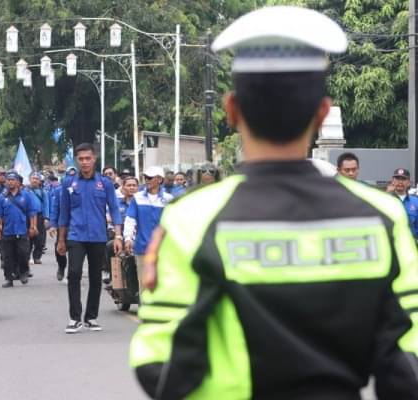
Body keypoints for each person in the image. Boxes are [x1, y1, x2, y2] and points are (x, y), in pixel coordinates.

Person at [131, 6, 418, 399]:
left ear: (231, 110)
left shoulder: (191, 221)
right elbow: (407, 363)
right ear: (322, 113)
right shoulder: (381, 216)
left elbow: (160, 363)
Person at [58, 143, 122, 333]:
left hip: (98, 236)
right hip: (75, 235)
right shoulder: (68, 183)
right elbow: (64, 213)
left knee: (96, 277)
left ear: (94, 159)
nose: (85, 162)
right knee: (74, 274)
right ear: (76, 161)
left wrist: (118, 235)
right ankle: (75, 317)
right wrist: (61, 240)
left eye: (88, 158)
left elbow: (115, 209)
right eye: (81, 159)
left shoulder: (105, 183)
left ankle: (91, 317)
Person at [123, 167, 172, 290]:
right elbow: (130, 219)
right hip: (142, 248)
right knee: (144, 286)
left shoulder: (168, 199)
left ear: (159, 180)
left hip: (164, 250)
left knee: (163, 286)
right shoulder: (138, 198)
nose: (147, 180)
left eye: (150, 178)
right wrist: (128, 238)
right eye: (146, 178)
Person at [0, 172, 37, 288]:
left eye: (13, 180)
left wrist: (33, 227)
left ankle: (23, 272)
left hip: (22, 230)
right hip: (7, 231)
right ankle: (9, 278)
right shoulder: (2, 197)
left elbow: (32, 213)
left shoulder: (26, 195)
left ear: (18, 182)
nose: (10, 182)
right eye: (8, 180)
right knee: (8, 257)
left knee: (23, 253)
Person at [26, 172, 49, 265]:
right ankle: (27, 257)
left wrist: (46, 217)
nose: (35, 180)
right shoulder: (25, 191)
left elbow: (46, 205)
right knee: (27, 238)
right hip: (28, 216)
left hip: (39, 216)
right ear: (30, 179)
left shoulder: (43, 192)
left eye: (37, 178)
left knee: (39, 238)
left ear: (39, 181)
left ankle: (37, 257)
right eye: (33, 178)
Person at [390, 168, 418, 239]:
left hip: (411, 246)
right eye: (397, 179)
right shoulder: (385, 200)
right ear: (393, 181)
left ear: (409, 182)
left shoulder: (416, 202)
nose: (400, 182)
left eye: (403, 179)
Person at [48, 175, 67, 281]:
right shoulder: (58, 191)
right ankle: (61, 267)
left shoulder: (81, 189)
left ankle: (74, 271)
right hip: (62, 224)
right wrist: (53, 225)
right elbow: (55, 208)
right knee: (59, 248)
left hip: (78, 225)